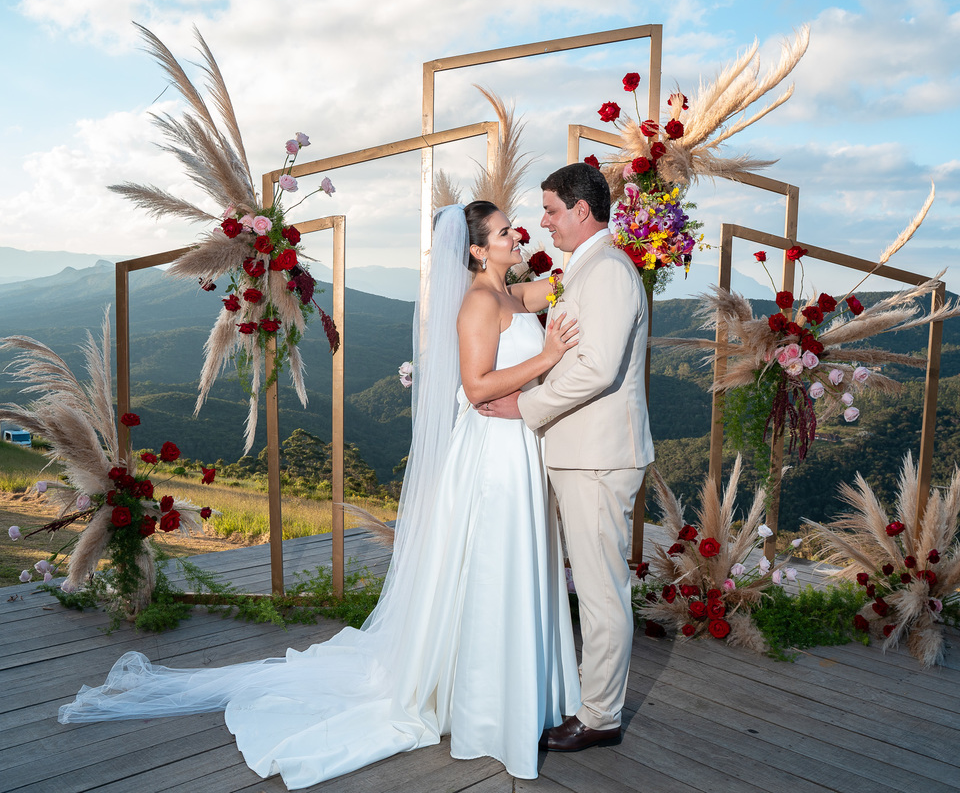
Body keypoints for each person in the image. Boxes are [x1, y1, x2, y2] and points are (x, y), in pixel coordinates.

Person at [57, 202, 581, 787]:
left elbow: (553, 289)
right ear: (478, 249)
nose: (519, 235)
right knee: (489, 568)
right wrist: (549, 356)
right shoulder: (481, 303)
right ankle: (484, 701)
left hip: (518, 451)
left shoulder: (513, 295)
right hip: (492, 459)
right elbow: (475, 384)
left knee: (510, 567)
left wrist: (620, 247)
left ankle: (512, 689)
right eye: (507, 231)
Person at [480, 162, 653, 752]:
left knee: (603, 591)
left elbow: (598, 368)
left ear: (582, 210)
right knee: (596, 586)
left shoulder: (605, 271)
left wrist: (527, 407)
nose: (544, 223)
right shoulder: (587, 268)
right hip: (583, 451)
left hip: (598, 456)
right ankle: (588, 702)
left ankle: (601, 717)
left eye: (551, 210)